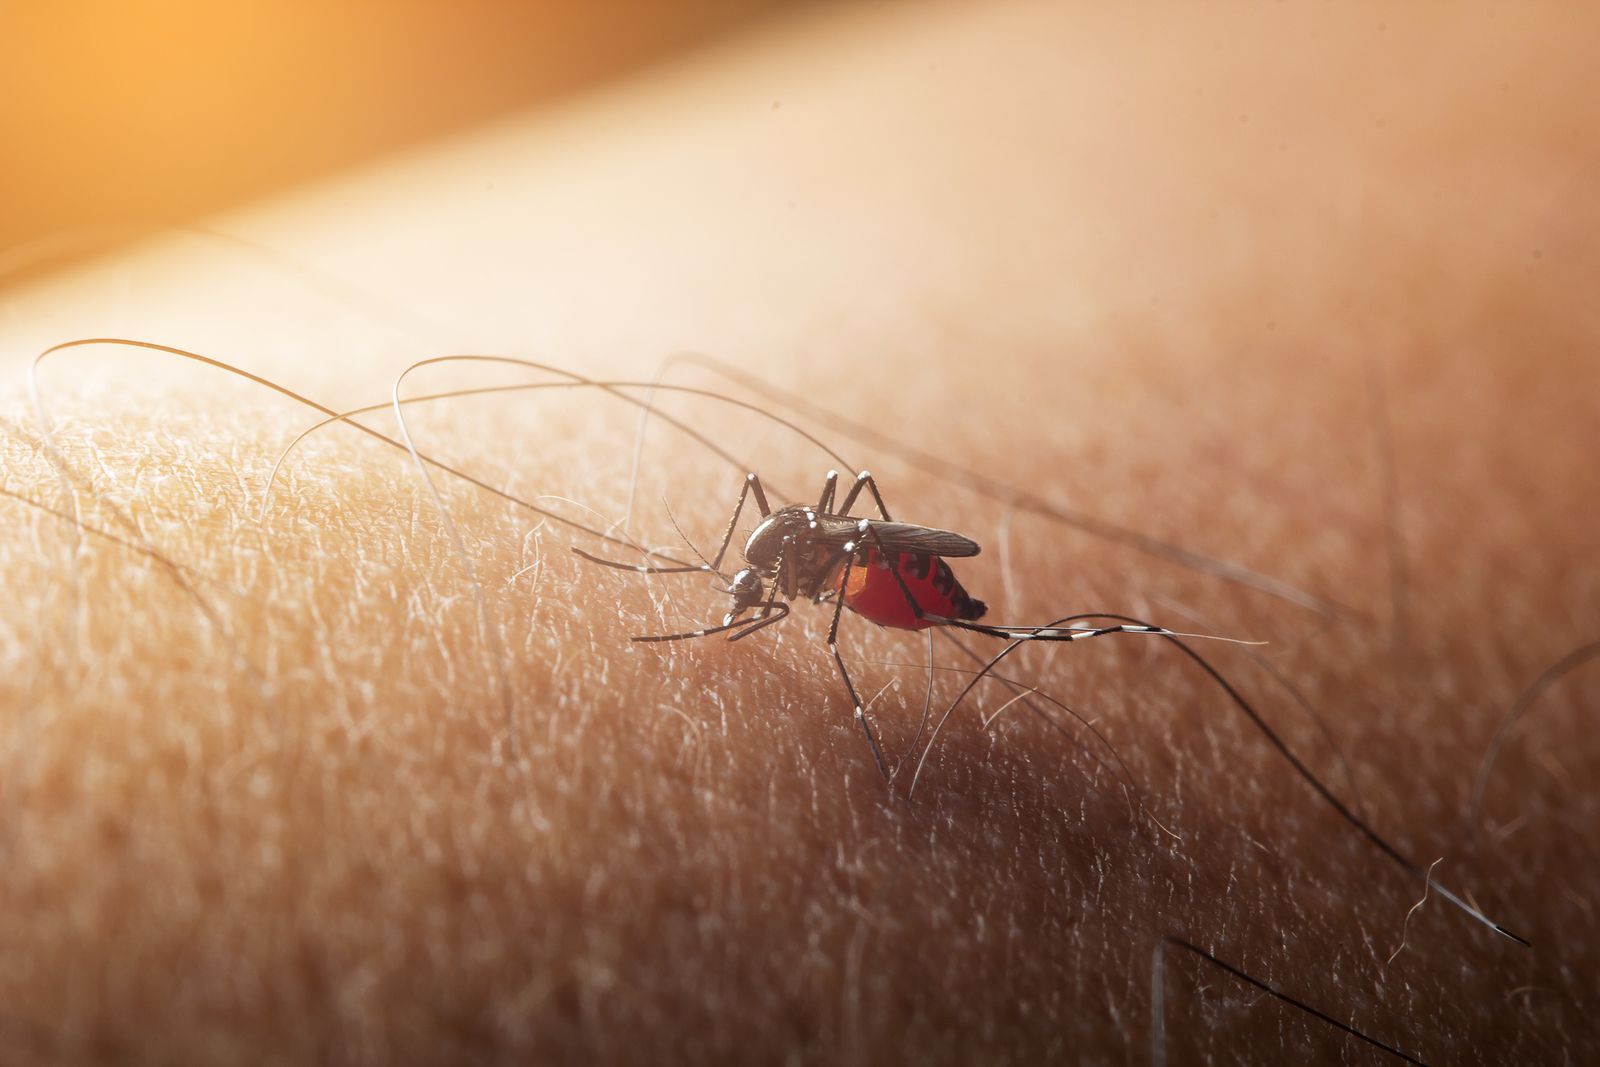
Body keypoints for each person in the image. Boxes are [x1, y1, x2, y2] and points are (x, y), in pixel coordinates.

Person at [1, 2, 1594, 1061]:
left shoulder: (820, 565)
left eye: (765, 575)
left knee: (805, 527)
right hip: (873, 571)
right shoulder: (800, 553)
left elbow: (802, 553)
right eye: (767, 574)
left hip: (884, 570)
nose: (767, 568)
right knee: (799, 523)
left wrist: (824, 592)